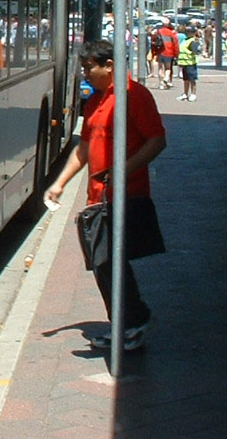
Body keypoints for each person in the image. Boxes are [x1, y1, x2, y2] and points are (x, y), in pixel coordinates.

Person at [46, 39, 167, 350]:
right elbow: (84, 148)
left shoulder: (134, 96)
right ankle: (128, 323)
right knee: (105, 262)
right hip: (98, 198)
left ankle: (135, 320)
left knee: (109, 260)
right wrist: (59, 183)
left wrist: (123, 171)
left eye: (90, 68)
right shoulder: (95, 101)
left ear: (109, 65)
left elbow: (156, 140)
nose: (85, 75)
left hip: (126, 196)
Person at [176, 24, 201, 101]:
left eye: (190, 32)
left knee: (192, 79)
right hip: (184, 63)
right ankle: (185, 94)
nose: (188, 33)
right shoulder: (185, 40)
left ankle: (193, 94)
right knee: (185, 80)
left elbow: (196, 51)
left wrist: (197, 45)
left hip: (191, 63)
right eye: (187, 32)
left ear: (193, 33)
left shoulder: (192, 41)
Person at [156, 18, 179, 89]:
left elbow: (154, 41)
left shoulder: (158, 31)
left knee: (160, 68)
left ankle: (161, 84)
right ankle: (166, 78)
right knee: (168, 68)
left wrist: (154, 52)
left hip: (160, 52)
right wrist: (176, 54)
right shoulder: (171, 33)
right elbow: (175, 44)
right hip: (169, 52)